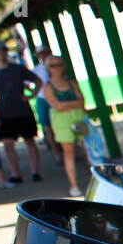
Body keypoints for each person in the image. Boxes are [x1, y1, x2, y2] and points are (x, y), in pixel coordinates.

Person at [0, 40, 42, 183]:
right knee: (8, 144)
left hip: (23, 111)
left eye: (3, 50)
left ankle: (35, 172)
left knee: (30, 141)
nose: (1, 53)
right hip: (4, 114)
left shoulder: (17, 68)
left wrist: (31, 94)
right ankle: (16, 174)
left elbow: (37, 81)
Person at [38, 57, 89, 196]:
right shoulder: (47, 87)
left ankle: (97, 178)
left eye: (59, 65)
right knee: (69, 152)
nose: (57, 68)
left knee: (88, 149)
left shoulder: (71, 83)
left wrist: (66, 105)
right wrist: (72, 103)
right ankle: (74, 185)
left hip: (79, 118)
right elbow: (56, 106)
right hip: (62, 122)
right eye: (53, 65)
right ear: (48, 68)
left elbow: (81, 102)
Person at [31, 47, 62, 162]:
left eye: (45, 53)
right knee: (48, 128)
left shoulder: (57, 67)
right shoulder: (36, 70)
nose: (43, 56)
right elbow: (25, 82)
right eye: (41, 54)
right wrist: (33, 93)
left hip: (58, 99)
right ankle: (56, 154)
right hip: (43, 100)